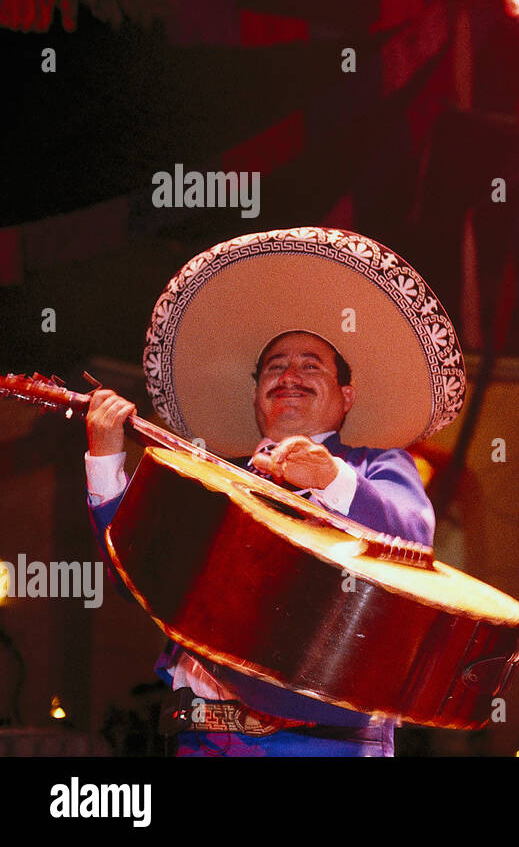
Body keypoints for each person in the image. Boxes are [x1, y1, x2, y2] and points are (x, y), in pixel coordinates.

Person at [85, 227, 466, 756]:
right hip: (202, 739)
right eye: (274, 366)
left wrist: (330, 478)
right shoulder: (217, 476)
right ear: (258, 391)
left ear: (346, 394)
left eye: (312, 366)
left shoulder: (375, 463)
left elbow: (414, 539)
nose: (290, 374)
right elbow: (141, 575)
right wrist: (104, 458)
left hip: (322, 743)